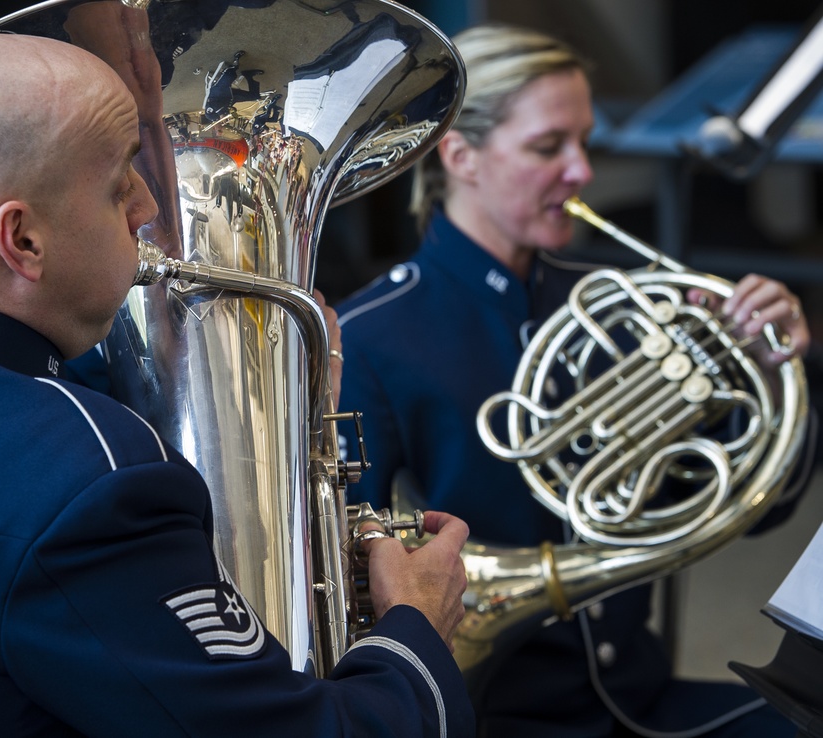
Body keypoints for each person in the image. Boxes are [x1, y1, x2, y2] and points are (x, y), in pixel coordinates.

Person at [0, 32, 476, 737]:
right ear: (23, 241)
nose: (146, 210)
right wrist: (416, 627)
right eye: (119, 182)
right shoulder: (88, 488)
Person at [336, 23, 815, 738]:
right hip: (499, 715)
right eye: (547, 147)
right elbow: (349, 578)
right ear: (461, 155)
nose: (583, 171)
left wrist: (774, 370)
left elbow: (756, 505)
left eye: (583, 142)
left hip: (642, 700)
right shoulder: (370, 336)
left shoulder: (621, 297)